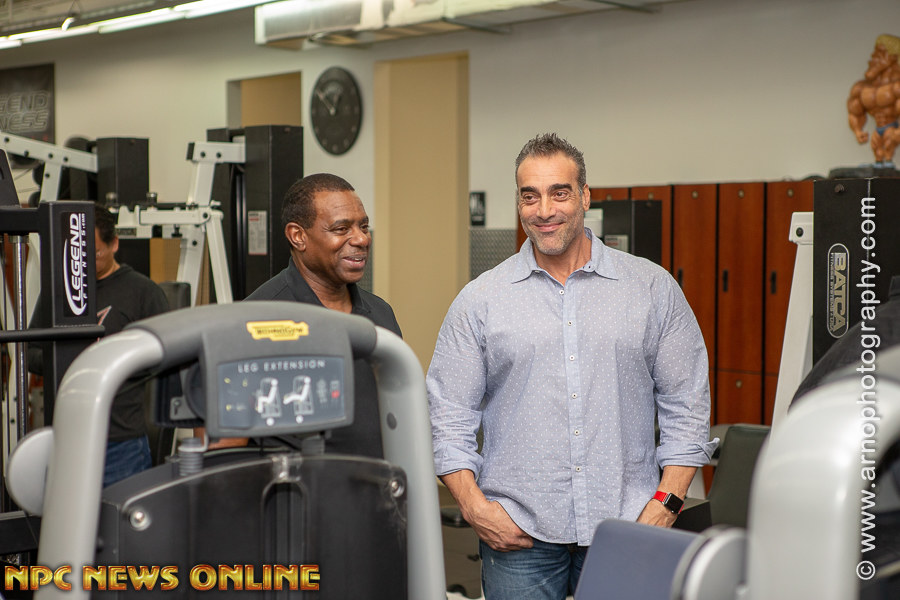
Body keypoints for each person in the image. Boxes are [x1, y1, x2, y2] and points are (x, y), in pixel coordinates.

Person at [427, 133, 716, 599]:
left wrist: (666, 504)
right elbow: (448, 418)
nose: (544, 210)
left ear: (585, 196)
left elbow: (687, 405)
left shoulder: (650, 288)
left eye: (559, 193)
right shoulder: (480, 301)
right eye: (530, 196)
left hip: (627, 526)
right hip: (518, 535)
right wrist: (475, 508)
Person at [242, 172, 402, 458]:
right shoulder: (257, 321)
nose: (361, 239)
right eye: (341, 229)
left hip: (377, 482)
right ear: (298, 236)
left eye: (364, 226)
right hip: (297, 485)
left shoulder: (381, 313)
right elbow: (226, 448)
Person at [29, 205, 170, 487]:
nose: (85, 262)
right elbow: (30, 352)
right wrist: (69, 359)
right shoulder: (59, 291)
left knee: (121, 516)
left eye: (93, 254)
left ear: (114, 243)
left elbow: (165, 356)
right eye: (79, 254)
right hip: (66, 438)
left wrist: (112, 361)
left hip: (121, 444)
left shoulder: (143, 292)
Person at [847, 34, 900, 166]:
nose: (873, 57)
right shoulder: (862, 88)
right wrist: (857, 130)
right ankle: (879, 166)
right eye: (875, 53)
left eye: (880, 53)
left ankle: (888, 164)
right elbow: (854, 111)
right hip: (878, 130)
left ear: (892, 57)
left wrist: (898, 133)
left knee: (888, 149)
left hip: (891, 129)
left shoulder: (897, 86)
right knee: (877, 149)